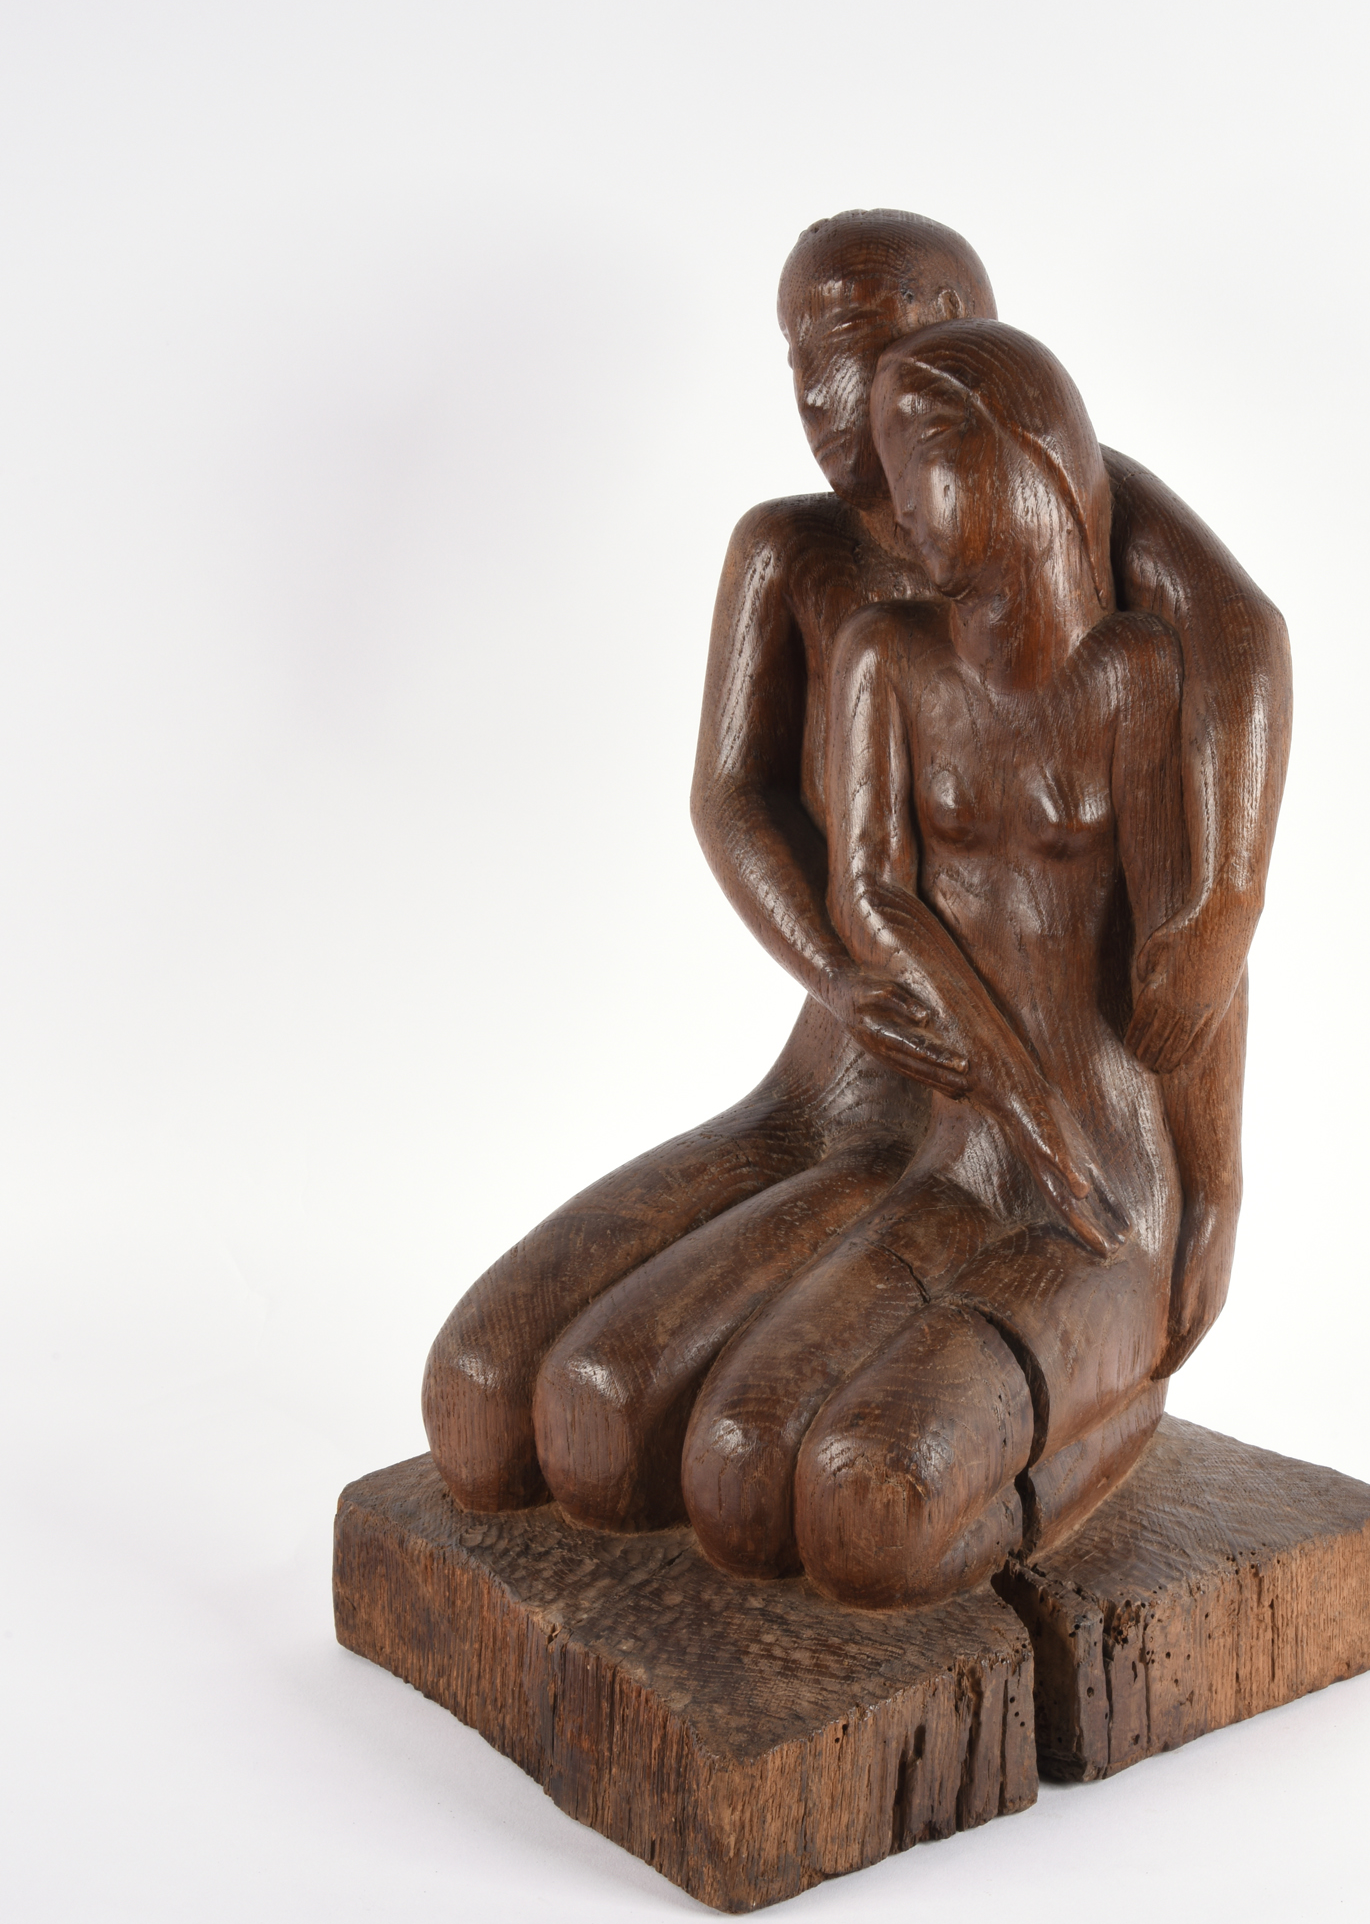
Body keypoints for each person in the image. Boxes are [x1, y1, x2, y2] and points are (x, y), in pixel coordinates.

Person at [422, 209, 1290, 1522]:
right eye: (800, 358)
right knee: (495, 1393)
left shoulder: (1085, 534)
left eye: (860, 351)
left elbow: (1243, 636)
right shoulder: (797, 555)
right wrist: (841, 974)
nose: (827, 395)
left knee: (778, 1469)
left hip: (1038, 1125)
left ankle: (1026, 1454)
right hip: (842, 1073)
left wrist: (1223, 908)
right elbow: (734, 797)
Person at [679, 321, 1189, 1604]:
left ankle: (1099, 1435)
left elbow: (1194, 978)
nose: (894, 503)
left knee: (869, 1509)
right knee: (737, 1469)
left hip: (1103, 1196)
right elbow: (872, 893)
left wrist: (1215, 1200)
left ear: (1019, 456)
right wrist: (1012, 1098)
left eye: (922, 459)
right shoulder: (886, 655)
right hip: (957, 1162)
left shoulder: (1132, 674)